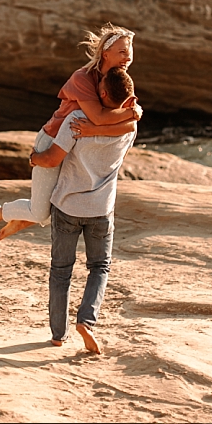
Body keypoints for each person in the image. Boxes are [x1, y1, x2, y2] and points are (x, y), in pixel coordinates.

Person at [0, 24, 139, 242]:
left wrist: (127, 115)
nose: (127, 58)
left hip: (77, 147)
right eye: (122, 52)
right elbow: (99, 116)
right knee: (41, 211)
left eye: (129, 53)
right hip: (54, 140)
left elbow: (130, 125)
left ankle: (22, 220)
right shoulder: (82, 78)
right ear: (105, 53)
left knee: (66, 203)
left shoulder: (119, 81)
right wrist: (128, 113)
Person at [42, 64, 137, 354]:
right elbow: (128, 122)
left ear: (102, 92)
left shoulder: (77, 119)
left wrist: (35, 158)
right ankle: (87, 320)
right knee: (99, 267)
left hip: (68, 205)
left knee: (61, 270)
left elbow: (53, 158)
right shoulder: (129, 126)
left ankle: (59, 335)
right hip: (101, 209)